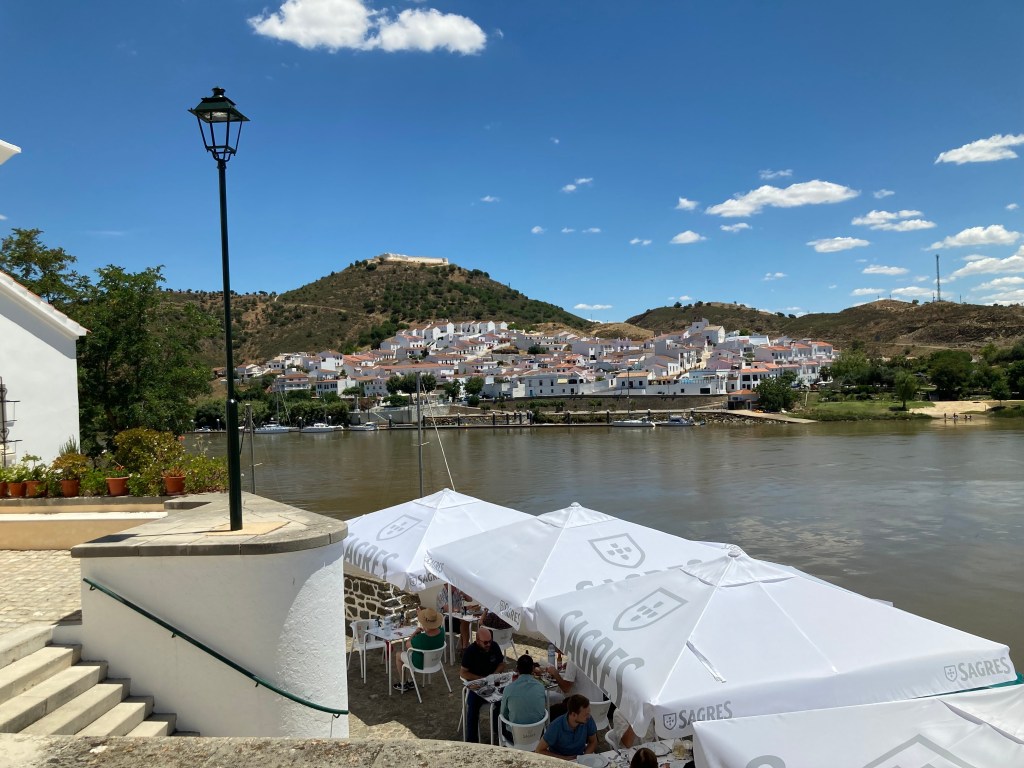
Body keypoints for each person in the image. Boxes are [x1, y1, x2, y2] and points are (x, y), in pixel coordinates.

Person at [460, 626, 506, 743]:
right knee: (473, 707)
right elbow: (463, 672)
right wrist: (480, 679)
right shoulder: (470, 651)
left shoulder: (494, 646)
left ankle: (499, 730)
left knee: (506, 700)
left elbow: (501, 664)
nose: (488, 644)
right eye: (485, 642)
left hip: (493, 683)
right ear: (477, 641)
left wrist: (495, 674)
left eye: (490, 641)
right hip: (478, 686)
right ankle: (472, 740)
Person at [393, 607, 445, 692]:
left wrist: (414, 633)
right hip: (434, 662)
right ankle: (410, 680)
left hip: (421, 664)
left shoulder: (421, 639)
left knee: (399, 654)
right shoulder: (441, 632)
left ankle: (403, 683)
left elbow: (407, 645)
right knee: (414, 653)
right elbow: (431, 630)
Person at [499, 654, 548, 742]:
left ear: (517, 669)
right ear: (533, 668)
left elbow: (503, 714)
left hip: (515, 737)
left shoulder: (508, 689)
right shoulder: (540, 687)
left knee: (498, 716)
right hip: (537, 734)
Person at [536, 693, 597, 759]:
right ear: (573, 714)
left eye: (589, 713)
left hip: (580, 758)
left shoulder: (588, 720)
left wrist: (584, 758)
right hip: (560, 760)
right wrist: (565, 759)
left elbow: (593, 741)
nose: (589, 716)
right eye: (585, 714)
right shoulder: (555, 726)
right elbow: (539, 750)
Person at [546, 654, 605, 719]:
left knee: (550, 712)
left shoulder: (575, 659)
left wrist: (555, 673)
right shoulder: (600, 658)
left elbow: (566, 688)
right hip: (600, 711)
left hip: (582, 710)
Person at [437, 586, 474, 650]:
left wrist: (464, 594)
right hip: (446, 621)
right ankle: (465, 648)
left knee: (466, 621)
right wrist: (464, 608)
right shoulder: (441, 594)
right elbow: (448, 609)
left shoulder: (457, 591)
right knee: (465, 622)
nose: (455, 585)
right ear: (446, 584)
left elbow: (470, 599)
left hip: (458, 618)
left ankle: (464, 648)